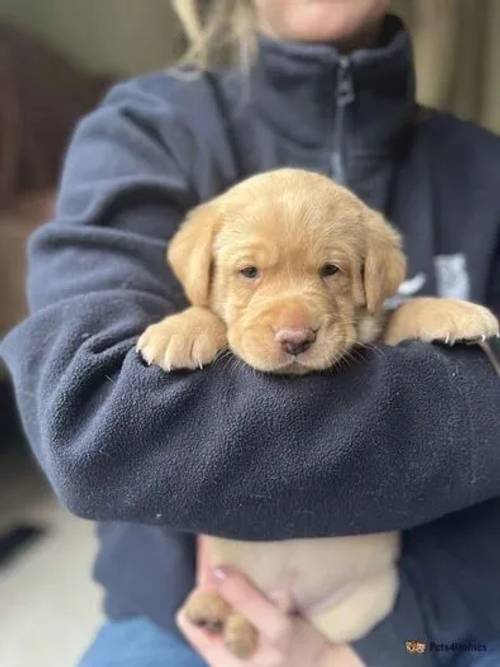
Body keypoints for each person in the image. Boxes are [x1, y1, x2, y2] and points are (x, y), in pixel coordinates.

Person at [1, 0, 500, 665]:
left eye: (330, 271)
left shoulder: (484, 170)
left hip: (441, 606)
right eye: (250, 271)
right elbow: (93, 425)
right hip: (192, 617)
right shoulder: (142, 132)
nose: (293, 324)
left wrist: (379, 645)